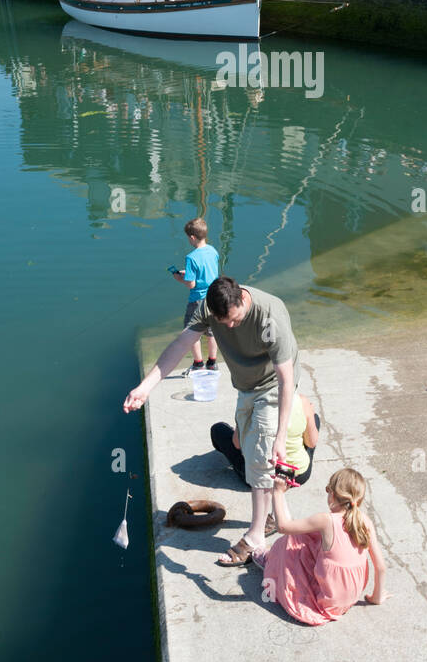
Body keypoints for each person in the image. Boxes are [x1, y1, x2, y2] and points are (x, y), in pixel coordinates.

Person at [123, 276, 300, 566]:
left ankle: (256, 536)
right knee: (245, 448)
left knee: (260, 456)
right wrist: (145, 387)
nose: (229, 327)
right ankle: (273, 515)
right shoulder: (208, 308)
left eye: (234, 320)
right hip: (245, 386)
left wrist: (280, 437)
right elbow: (180, 345)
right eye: (223, 322)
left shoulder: (270, 315)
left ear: (242, 299)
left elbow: (286, 379)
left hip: (272, 385)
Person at [252, 467, 386, 625]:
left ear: (333, 494)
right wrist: (376, 597)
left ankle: (270, 562)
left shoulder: (326, 520)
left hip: (323, 603)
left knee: (290, 540)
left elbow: (282, 527)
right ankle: (275, 559)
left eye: (328, 489)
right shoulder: (365, 521)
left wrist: (278, 492)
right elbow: (380, 567)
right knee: (311, 536)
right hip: (348, 600)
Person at [211, 391, 320, 490]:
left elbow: (237, 444)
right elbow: (311, 443)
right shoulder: (301, 401)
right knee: (314, 419)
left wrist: (239, 424)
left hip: (259, 478)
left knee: (218, 429)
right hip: (297, 476)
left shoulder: (249, 402)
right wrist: (309, 412)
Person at [171, 217, 220, 372]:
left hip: (197, 300)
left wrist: (180, 278)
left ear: (192, 237)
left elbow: (191, 284)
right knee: (212, 332)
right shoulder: (213, 251)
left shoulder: (191, 258)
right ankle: (212, 362)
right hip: (213, 297)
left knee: (192, 331)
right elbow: (208, 271)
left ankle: (198, 364)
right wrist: (189, 274)